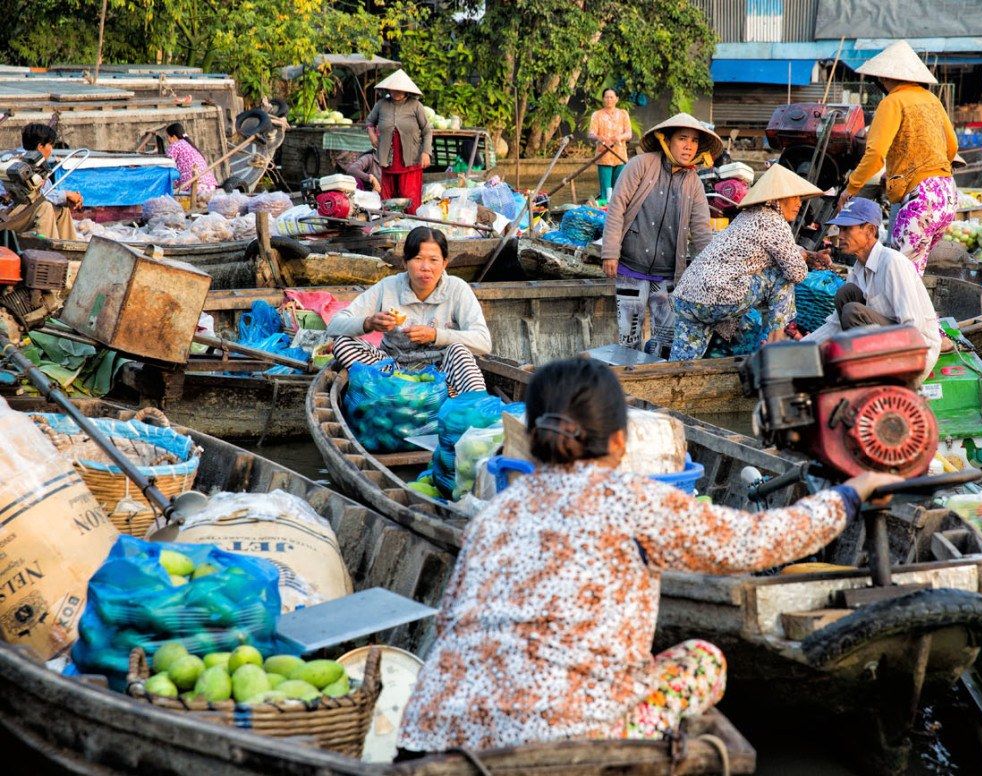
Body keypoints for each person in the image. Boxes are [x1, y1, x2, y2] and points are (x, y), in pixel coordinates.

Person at [396, 357, 900, 754]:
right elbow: (754, 542)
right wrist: (849, 496)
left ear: (535, 439)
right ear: (618, 442)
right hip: (563, 733)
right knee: (703, 662)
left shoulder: (493, 515)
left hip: (437, 728)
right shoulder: (633, 499)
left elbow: (447, 624)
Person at [669, 163, 831, 361]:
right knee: (782, 278)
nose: (799, 203)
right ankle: (776, 343)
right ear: (777, 199)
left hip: (687, 298)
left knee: (682, 362)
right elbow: (796, 273)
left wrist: (807, 254)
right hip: (718, 297)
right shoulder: (773, 221)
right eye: (794, 197)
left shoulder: (747, 216)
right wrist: (804, 259)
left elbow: (778, 250)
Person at [839, 41, 958, 275]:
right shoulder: (931, 100)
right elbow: (952, 146)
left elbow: (875, 155)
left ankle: (895, 313)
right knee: (913, 273)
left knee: (897, 274)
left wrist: (850, 188)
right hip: (947, 193)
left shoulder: (892, 101)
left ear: (884, 77)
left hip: (921, 199)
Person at [602, 113, 717, 356]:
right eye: (682, 139)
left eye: (694, 141)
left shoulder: (693, 182)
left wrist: (709, 272)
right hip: (630, 267)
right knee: (628, 339)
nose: (689, 146)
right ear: (666, 140)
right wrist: (610, 252)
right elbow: (617, 206)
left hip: (668, 274)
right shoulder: (641, 165)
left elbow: (701, 231)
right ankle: (626, 388)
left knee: (665, 342)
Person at [325, 226, 489, 396]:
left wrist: (435, 335)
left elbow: (483, 342)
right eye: (418, 259)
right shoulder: (388, 286)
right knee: (343, 343)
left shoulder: (457, 289)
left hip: (442, 373)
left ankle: (475, 408)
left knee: (459, 352)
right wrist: (369, 323)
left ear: (444, 263)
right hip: (394, 372)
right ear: (405, 262)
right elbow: (334, 325)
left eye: (433, 260)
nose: (426, 267)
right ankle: (403, 393)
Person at [801, 198, 941, 378]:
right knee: (846, 294)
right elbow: (835, 324)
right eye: (840, 229)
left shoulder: (892, 263)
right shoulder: (858, 268)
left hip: (914, 352)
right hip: (888, 341)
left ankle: (873, 375)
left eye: (847, 229)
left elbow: (912, 327)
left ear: (870, 231)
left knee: (853, 312)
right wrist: (800, 350)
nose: (840, 235)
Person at [365, 70, 432, 215]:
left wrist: (426, 152)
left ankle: (413, 225)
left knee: (409, 196)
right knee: (387, 198)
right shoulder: (382, 104)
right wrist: (372, 135)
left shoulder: (415, 105)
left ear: (406, 90)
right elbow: (369, 122)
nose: (395, 91)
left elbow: (427, 131)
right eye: (392, 88)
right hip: (387, 160)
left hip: (410, 160)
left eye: (399, 89)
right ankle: (388, 224)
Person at [0, 123, 82, 241]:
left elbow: (47, 193)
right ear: (40, 146)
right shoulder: (20, 167)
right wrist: (66, 195)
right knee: (45, 207)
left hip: (19, 214)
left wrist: (65, 199)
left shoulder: (37, 167)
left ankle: (70, 251)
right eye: (50, 145)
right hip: (5, 218)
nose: (51, 149)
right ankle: (49, 256)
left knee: (62, 210)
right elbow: (39, 197)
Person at [587, 88, 632, 202]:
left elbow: (629, 134)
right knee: (606, 189)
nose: (609, 100)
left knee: (619, 187)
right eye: (606, 97)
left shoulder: (623, 114)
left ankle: (617, 208)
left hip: (620, 156)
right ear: (603, 99)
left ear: (616, 99)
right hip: (604, 155)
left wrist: (620, 137)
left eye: (611, 97)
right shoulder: (597, 115)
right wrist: (599, 137)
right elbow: (591, 134)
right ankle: (605, 207)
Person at [165, 122, 217, 200]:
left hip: (195, 188)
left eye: (168, 137)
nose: (168, 140)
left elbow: (167, 163)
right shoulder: (190, 144)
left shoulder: (175, 145)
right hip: (210, 186)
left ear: (174, 137)